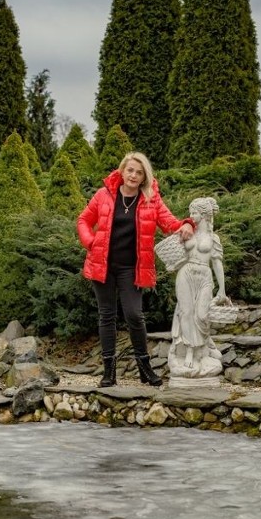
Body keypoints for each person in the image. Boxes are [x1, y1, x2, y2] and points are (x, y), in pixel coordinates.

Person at [77, 152, 194, 387]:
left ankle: (144, 367)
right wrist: (91, 242)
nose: (133, 175)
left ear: (144, 178)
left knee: (134, 315)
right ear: (122, 171)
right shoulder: (103, 195)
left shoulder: (151, 199)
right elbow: (83, 220)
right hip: (103, 266)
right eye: (130, 170)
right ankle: (109, 371)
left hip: (132, 268)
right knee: (107, 316)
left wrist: (187, 224)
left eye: (139, 173)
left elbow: (169, 222)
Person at [167, 197, 230, 378]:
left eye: (194, 212)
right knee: (185, 313)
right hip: (186, 274)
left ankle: (204, 348)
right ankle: (189, 351)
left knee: (202, 315)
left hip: (204, 276)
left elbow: (217, 264)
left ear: (203, 215)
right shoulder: (187, 234)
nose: (191, 216)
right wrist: (174, 265)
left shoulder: (213, 238)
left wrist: (222, 290)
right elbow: (180, 257)